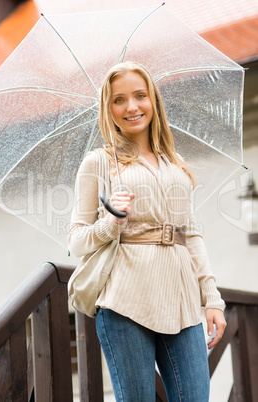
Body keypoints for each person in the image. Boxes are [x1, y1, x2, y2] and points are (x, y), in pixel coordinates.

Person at [68, 61, 227, 402]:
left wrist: (211, 298)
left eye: (140, 96)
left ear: (153, 100)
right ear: (108, 109)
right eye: (119, 99)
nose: (131, 107)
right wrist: (113, 221)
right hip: (126, 301)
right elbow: (76, 240)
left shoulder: (175, 164)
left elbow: (191, 234)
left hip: (183, 301)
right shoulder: (99, 161)